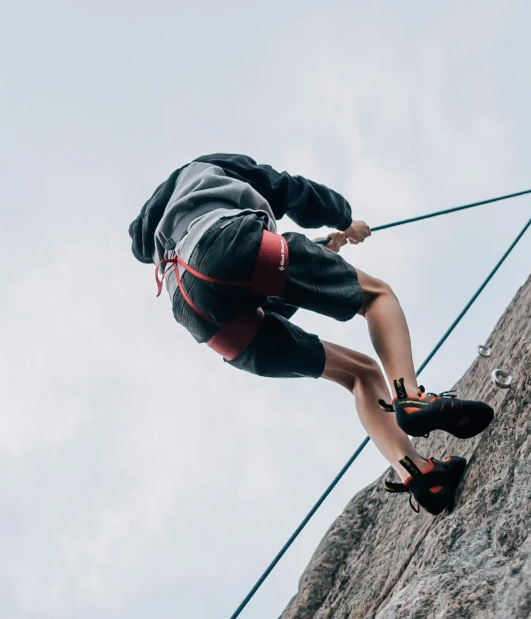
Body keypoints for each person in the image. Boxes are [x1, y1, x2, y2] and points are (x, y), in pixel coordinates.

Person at [127, 153, 495, 515]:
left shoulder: (160, 241)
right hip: (227, 241)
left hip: (195, 310)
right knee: (376, 297)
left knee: (359, 373)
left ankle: (419, 473)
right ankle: (410, 395)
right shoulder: (203, 167)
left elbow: (254, 290)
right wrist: (345, 220)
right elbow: (285, 188)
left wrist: (322, 251)